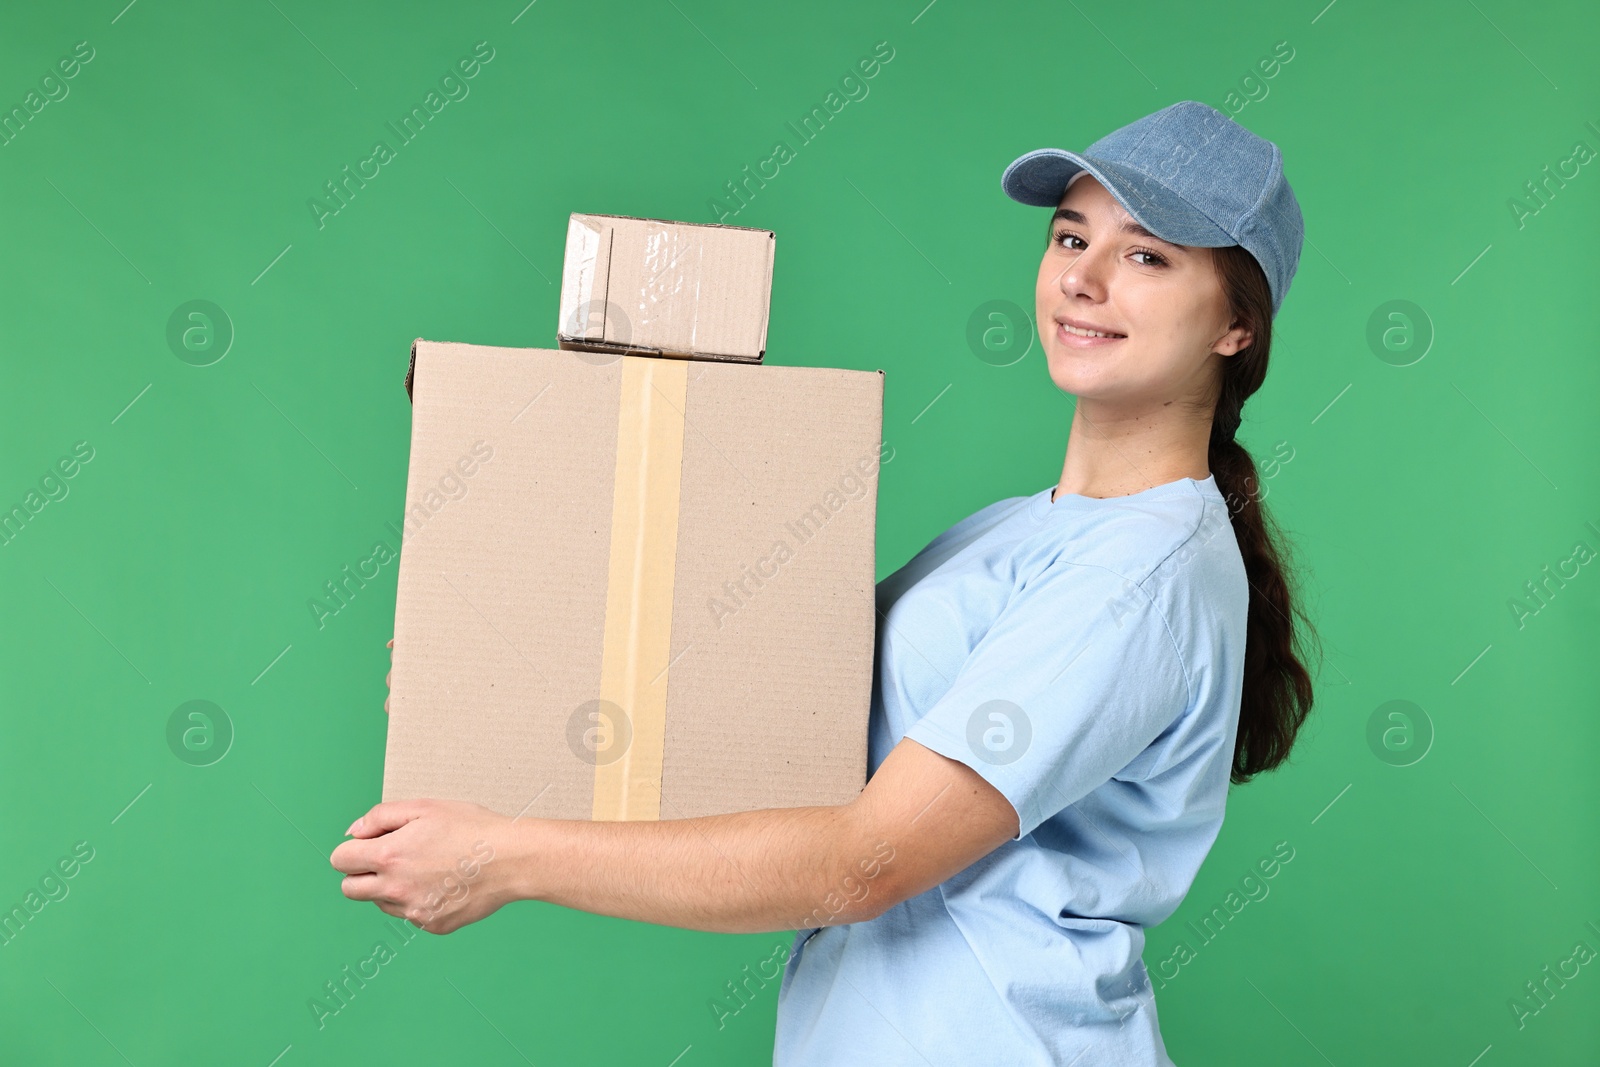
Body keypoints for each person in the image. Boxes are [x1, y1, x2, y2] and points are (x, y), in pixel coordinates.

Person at [331, 100, 1321, 1066]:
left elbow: (864, 859)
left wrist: (505, 856)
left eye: (1146, 256)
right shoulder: (1025, 531)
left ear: (1238, 324)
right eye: (1070, 238)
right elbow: (778, 720)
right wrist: (488, 689)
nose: (1085, 280)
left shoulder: (1132, 579)